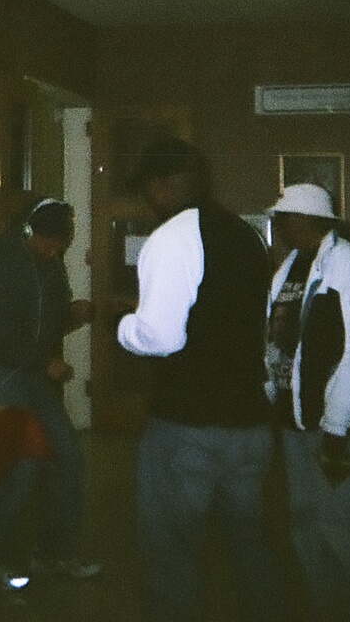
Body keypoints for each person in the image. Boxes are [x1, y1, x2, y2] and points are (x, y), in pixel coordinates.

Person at [117, 138, 284, 622]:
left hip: (188, 429)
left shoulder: (172, 237)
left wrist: (120, 326)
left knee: (172, 555)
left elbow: (160, 336)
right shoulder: (246, 236)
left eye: (147, 190)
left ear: (159, 185)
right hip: (249, 427)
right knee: (251, 550)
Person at [0, 197, 100, 591]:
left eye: (59, 247)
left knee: (68, 454)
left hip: (26, 368)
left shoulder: (51, 262)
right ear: (28, 231)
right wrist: (43, 363)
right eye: (47, 244)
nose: (52, 252)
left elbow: (44, 322)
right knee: (22, 457)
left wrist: (72, 314)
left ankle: (55, 553)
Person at [265, 183, 350, 622]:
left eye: (283, 219)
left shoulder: (346, 261)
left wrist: (336, 427)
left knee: (345, 526)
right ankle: (324, 608)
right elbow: (276, 342)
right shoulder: (289, 267)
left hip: (333, 427)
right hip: (294, 423)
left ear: (307, 219)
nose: (279, 227)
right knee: (304, 522)